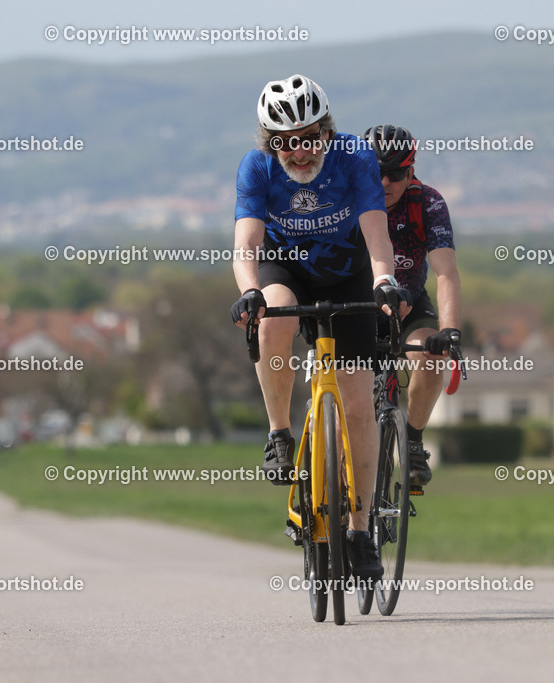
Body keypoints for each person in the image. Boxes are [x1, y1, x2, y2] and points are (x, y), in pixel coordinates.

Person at [231, 75, 409, 581]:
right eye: (286, 142)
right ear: (271, 142)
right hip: (285, 267)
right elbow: (246, 245)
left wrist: (384, 282)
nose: (300, 152)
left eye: (309, 138)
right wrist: (248, 291)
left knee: (356, 407)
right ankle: (279, 433)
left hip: (348, 271)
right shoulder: (257, 167)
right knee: (271, 319)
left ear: (327, 133)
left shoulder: (354, 157)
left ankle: (357, 529)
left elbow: (377, 233)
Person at [362, 124, 462, 487]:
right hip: (357, 302)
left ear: (412, 168)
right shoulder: (348, 199)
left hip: (410, 301)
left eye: (396, 174)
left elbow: (446, 272)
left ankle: (414, 442)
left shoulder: (428, 203)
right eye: (376, 173)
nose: (385, 183)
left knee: (431, 353)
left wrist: (450, 331)